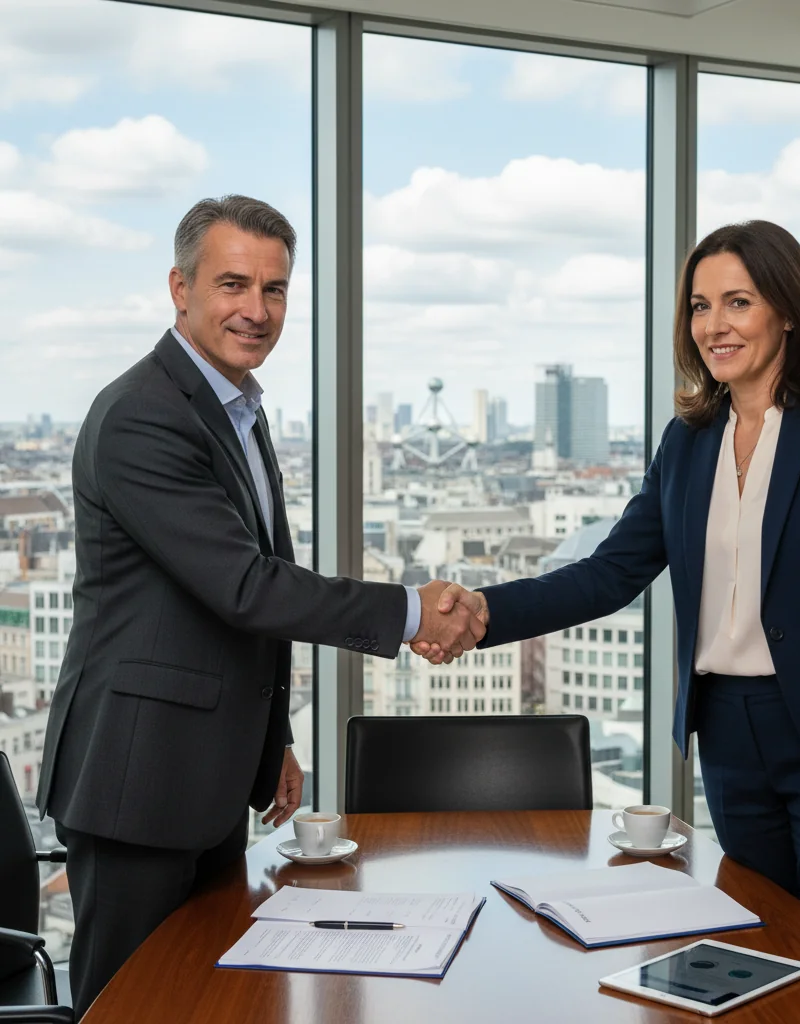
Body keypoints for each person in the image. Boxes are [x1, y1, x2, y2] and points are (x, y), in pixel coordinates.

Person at [413, 220, 800, 974]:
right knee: (755, 955)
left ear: (788, 310)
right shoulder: (687, 440)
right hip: (728, 737)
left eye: (738, 302)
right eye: (699, 306)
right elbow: (608, 572)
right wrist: (485, 612)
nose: (714, 327)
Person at [37, 195, 482, 1018]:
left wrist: (269, 735)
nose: (256, 309)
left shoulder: (235, 406)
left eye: (274, 290)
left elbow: (241, 592)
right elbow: (245, 587)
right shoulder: (143, 414)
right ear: (180, 287)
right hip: (139, 781)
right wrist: (414, 612)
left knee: (203, 1002)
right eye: (233, 284)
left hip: (199, 773)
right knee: (133, 1004)